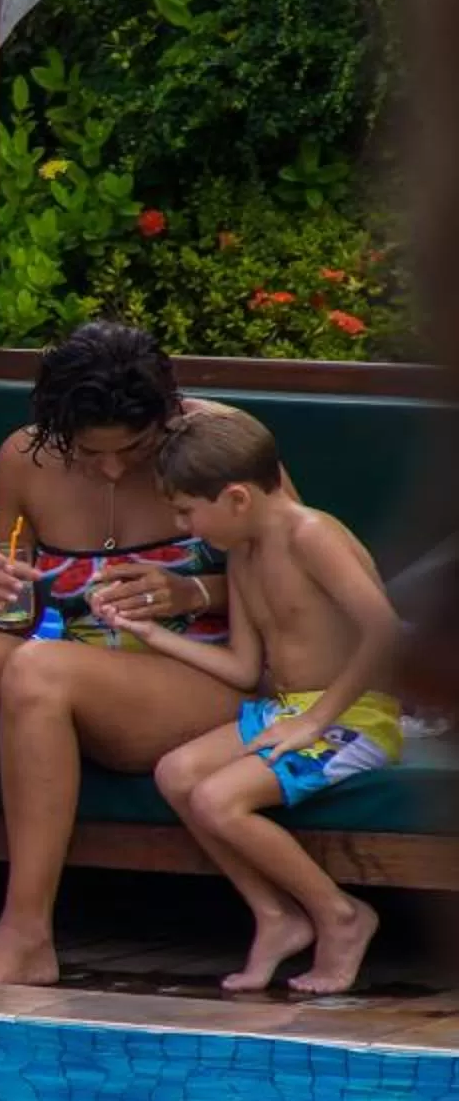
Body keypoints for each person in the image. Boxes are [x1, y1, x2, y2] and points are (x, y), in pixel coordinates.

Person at [0, 322, 281, 987]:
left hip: (213, 677)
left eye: (134, 449)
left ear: (167, 417)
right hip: (79, 676)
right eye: (89, 454)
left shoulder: (223, 445)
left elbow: (301, 576)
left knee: (39, 669)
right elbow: (15, 615)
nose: (112, 468)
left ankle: (27, 935)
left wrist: (195, 587)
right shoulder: (24, 459)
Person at [122, 413, 402, 994]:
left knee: (218, 800)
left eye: (185, 511)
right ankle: (276, 917)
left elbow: (385, 631)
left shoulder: (311, 535)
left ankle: (340, 914)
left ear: (236, 498)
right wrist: (156, 636)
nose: (183, 527)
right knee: (176, 773)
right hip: (286, 711)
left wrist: (315, 720)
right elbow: (245, 669)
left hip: (354, 718)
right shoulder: (242, 552)